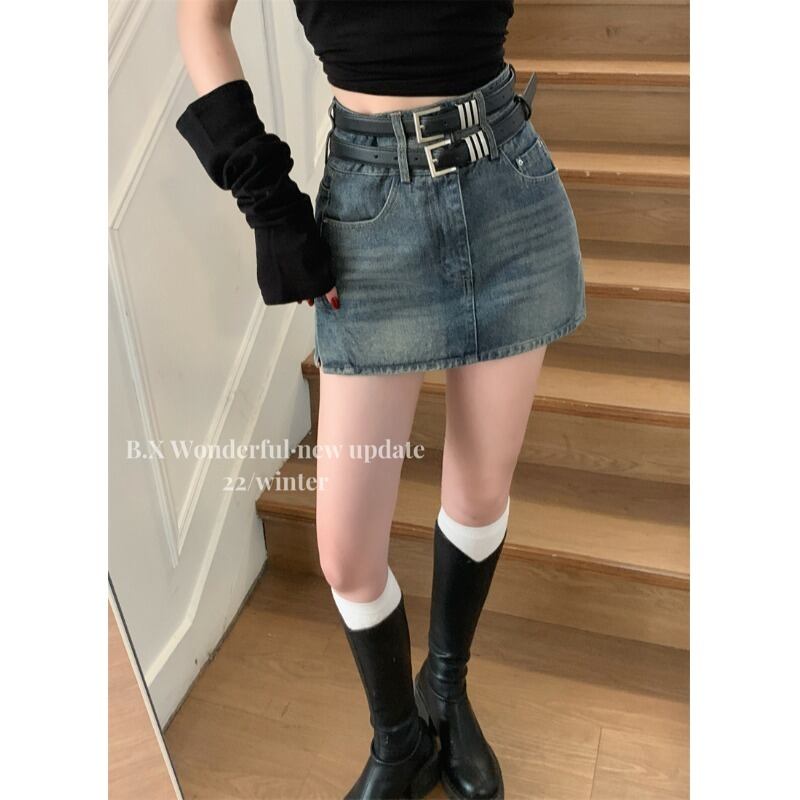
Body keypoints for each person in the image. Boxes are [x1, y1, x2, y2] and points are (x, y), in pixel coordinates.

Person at [176, 2, 586, 798]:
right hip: (373, 208)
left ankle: (446, 688)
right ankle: (398, 740)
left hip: (506, 181)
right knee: (345, 554)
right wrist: (268, 202)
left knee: (480, 494)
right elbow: (201, 22)